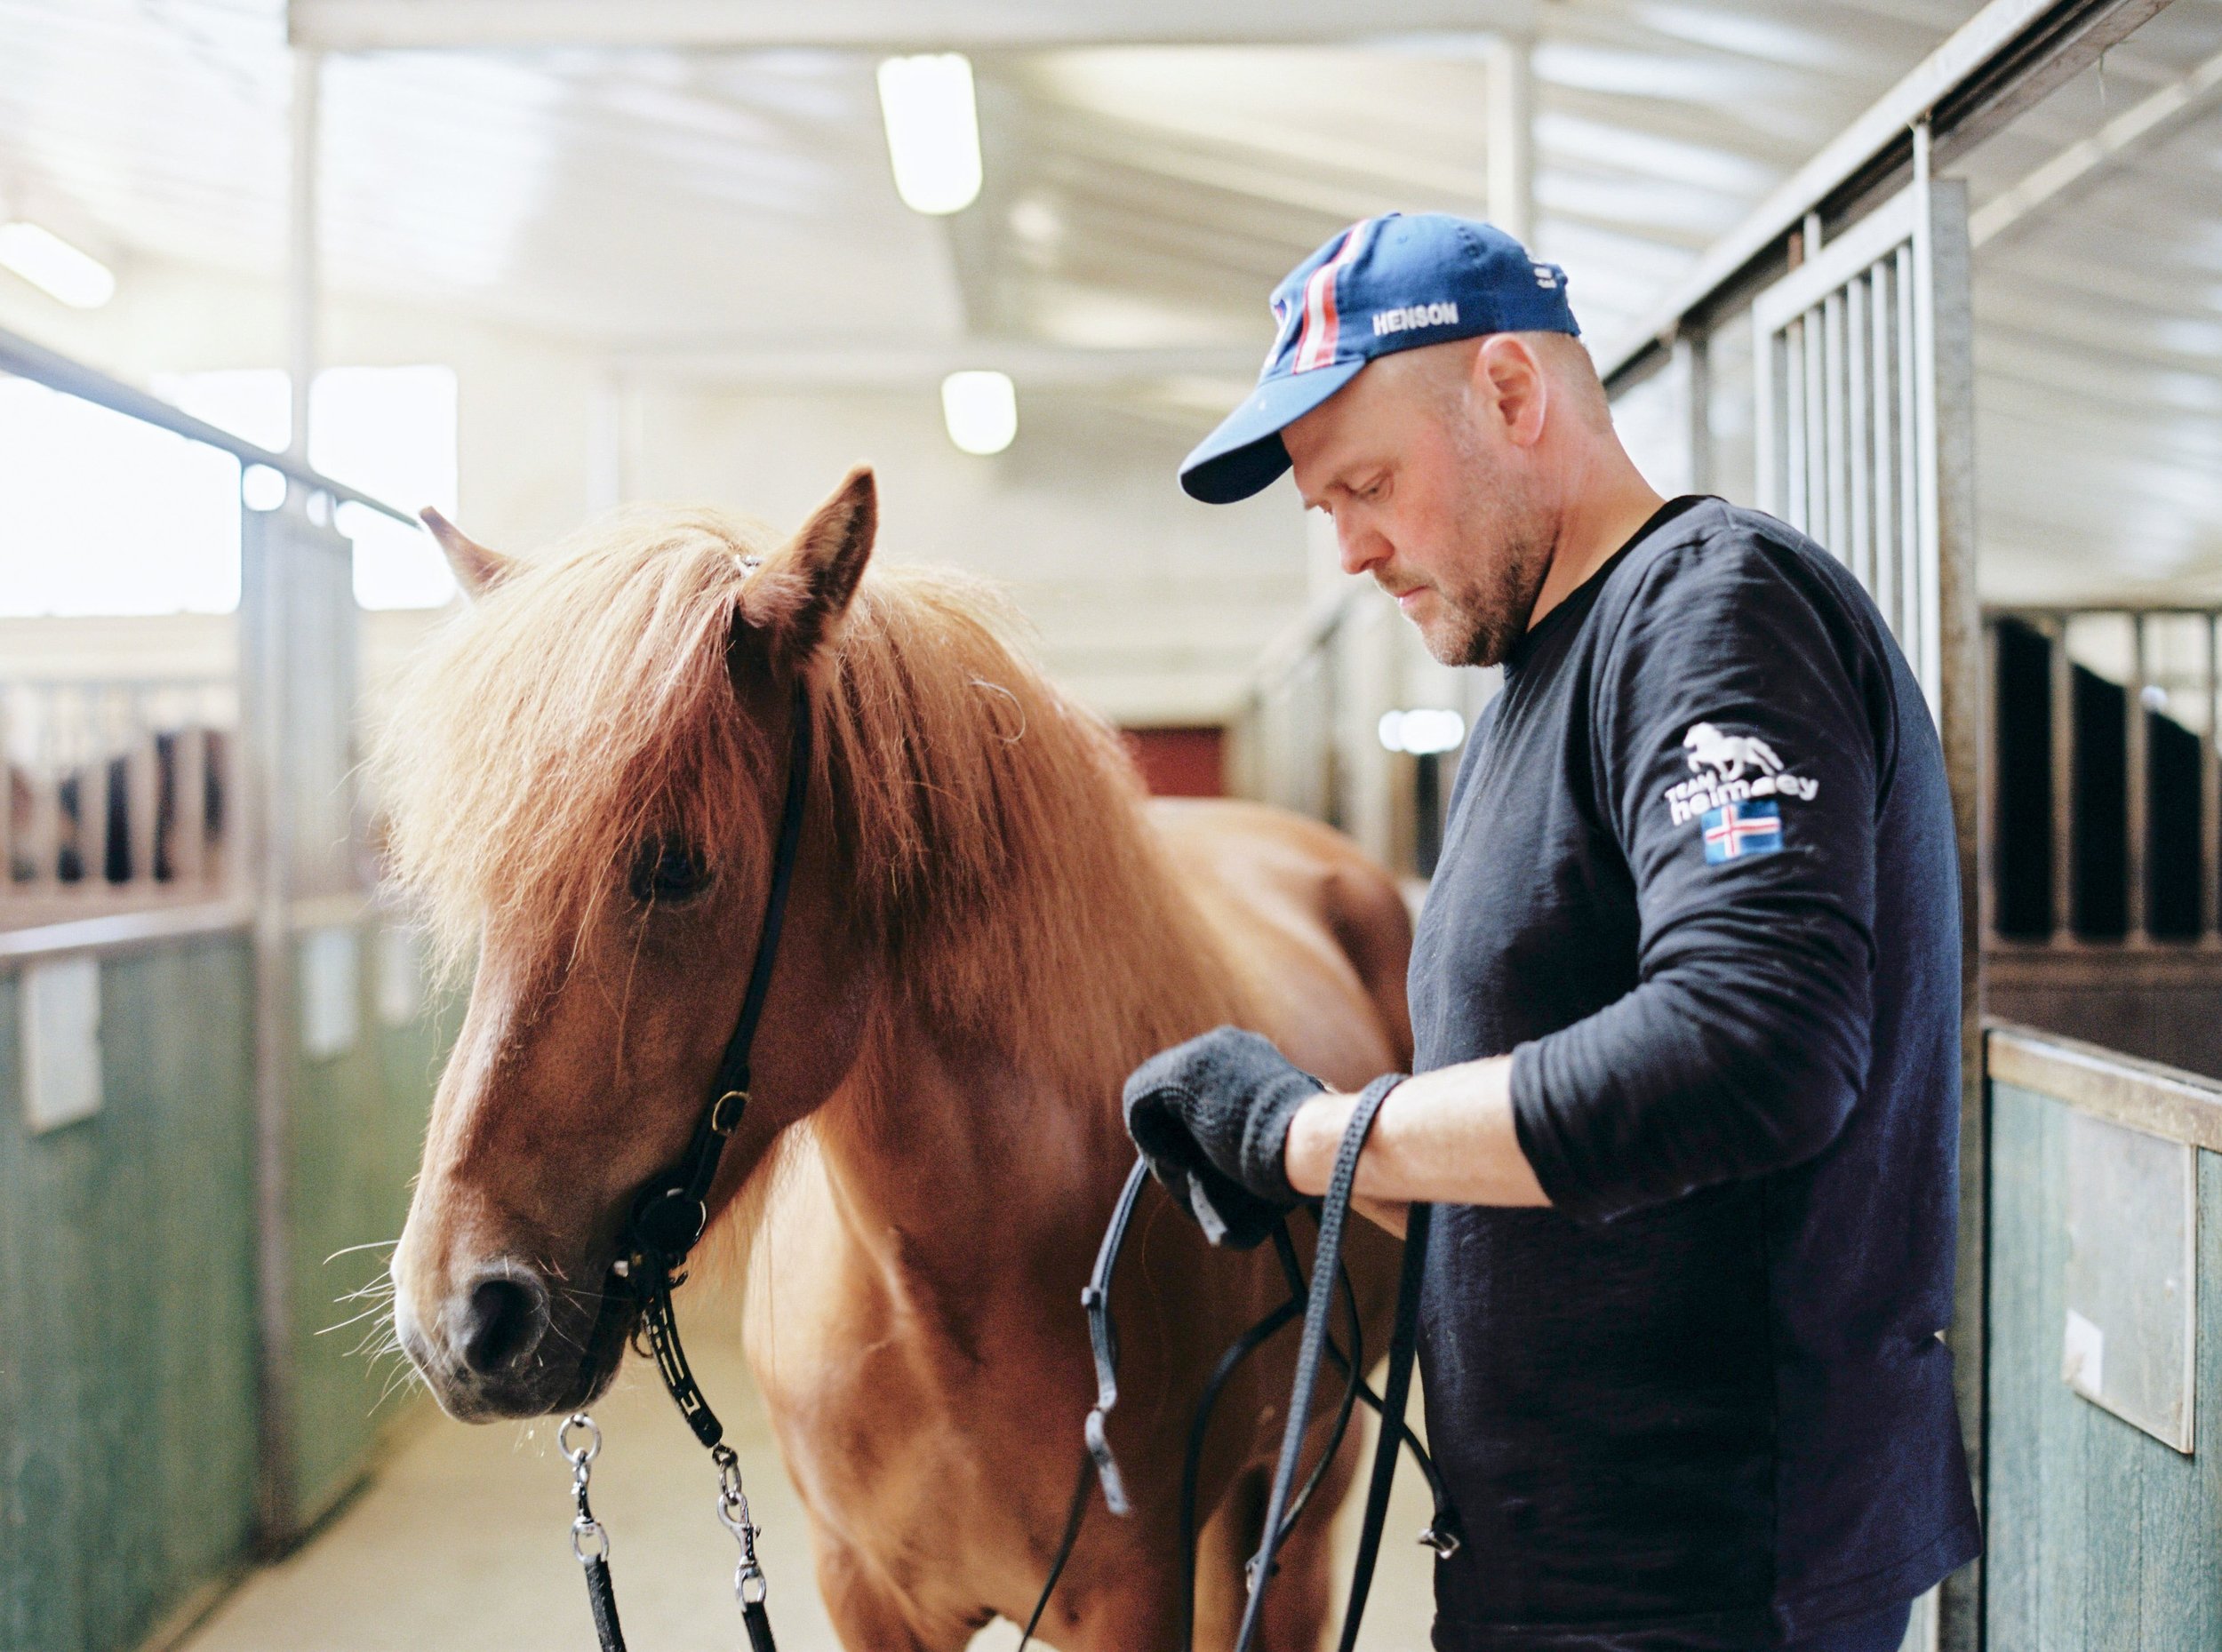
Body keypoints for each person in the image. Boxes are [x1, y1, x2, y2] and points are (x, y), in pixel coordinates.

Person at [1123, 212, 1979, 1652]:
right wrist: (1300, 1160)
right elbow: (1558, 1182)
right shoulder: (1541, 685)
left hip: (1707, 1577)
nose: (1348, 549)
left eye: (1369, 483)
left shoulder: (1717, 613)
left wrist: (1314, 1139)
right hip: (1570, 1556)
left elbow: (1751, 1047)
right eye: (1322, 508)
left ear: (1513, 393)